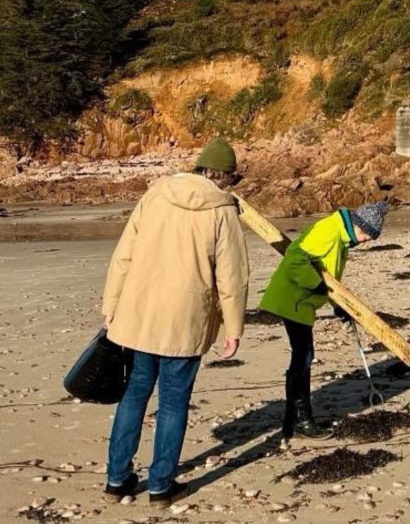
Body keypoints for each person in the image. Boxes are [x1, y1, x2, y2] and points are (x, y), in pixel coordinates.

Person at [101, 138, 250, 508]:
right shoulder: (223, 210)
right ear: (225, 176)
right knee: (173, 402)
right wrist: (233, 328)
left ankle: (116, 480)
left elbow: (124, 253)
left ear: (200, 168)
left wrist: (111, 303)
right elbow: (233, 277)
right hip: (185, 320)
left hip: (139, 313)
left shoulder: (156, 193)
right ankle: (160, 485)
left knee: (133, 395)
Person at [259, 201, 389, 441]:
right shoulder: (329, 231)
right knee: (304, 356)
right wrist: (316, 286)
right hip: (292, 298)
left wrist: (339, 307)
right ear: (358, 225)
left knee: (302, 356)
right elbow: (295, 258)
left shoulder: (341, 238)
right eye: (368, 235)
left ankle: (295, 417)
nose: (367, 240)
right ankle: (301, 418)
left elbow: (327, 277)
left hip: (302, 301)